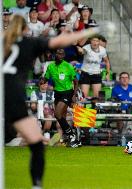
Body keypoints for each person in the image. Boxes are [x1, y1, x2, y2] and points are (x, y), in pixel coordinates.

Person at [4, 14, 100, 189]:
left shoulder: (3, 43)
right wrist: (92, 30)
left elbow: (75, 79)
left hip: (64, 92)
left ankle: (69, 134)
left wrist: (73, 94)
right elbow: (61, 40)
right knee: (36, 143)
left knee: (56, 115)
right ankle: (37, 184)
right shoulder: (30, 43)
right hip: (13, 96)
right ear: (26, 29)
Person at [44, 48, 79, 147]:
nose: (61, 56)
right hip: (57, 93)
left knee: (57, 114)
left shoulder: (68, 66)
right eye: (59, 54)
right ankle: (71, 138)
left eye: (62, 54)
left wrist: (74, 95)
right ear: (55, 54)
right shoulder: (50, 66)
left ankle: (71, 135)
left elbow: (76, 82)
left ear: (64, 56)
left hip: (67, 92)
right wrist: (42, 81)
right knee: (61, 117)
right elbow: (46, 78)